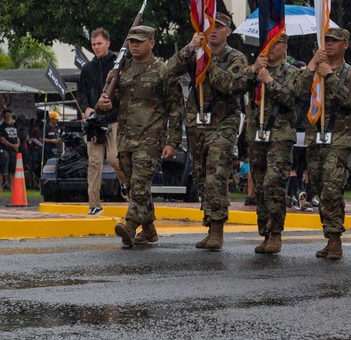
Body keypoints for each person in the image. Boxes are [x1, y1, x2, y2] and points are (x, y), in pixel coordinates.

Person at [97, 25, 198, 248]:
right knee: (136, 187)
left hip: (151, 139)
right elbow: (104, 103)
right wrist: (102, 105)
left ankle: (130, 225)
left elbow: (175, 108)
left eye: (139, 41)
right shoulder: (120, 69)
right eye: (131, 41)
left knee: (140, 184)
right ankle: (149, 229)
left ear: (151, 43)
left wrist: (173, 142)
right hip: (125, 139)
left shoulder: (163, 71)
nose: (134, 45)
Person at [183, 13, 252, 252]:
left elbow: (232, 85)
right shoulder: (196, 52)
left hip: (223, 123)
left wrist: (207, 61)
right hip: (197, 123)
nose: (214, 30)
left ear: (228, 32)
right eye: (211, 26)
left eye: (219, 27)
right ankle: (209, 222)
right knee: (201, 175)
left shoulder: (237, 57)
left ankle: (217, 228)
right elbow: (170, 70)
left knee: (216, 174)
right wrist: (191, 49)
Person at [297, 27, 351, 260]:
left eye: (335, 41)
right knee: (320, 188)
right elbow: (297, 92)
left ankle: (335, 240)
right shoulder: (312, 70)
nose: (330, 44)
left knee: (332, 188)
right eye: (327, 40)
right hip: (316, 138)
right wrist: (313, 66)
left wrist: (329, 76)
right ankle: (329, 235)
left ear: (345, 44)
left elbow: (348, 100)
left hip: (340, 138)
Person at [247, 34, 304, 255]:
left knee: (274, 182)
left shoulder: (290, 72)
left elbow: (291, 98)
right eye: (267, 43)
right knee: (260, 185)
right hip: (256, 135)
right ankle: (265, 231)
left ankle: (276, 233)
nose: (270, 48)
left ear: (285, 47)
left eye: (275, 43)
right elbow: (233, 86)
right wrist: (254, 70)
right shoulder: (254, 70)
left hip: (280, 135)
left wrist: (269, 80)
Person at [76, 27, 119, 216]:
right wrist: (87, 109)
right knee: (94, 163)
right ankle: (94, 203)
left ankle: (128, 185)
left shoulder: (118, 64)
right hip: (94, 122)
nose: (96, 47)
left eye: (99, 43)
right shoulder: (87, 68)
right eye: (93, 44)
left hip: (115, 119)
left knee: (114, 158)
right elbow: (81, 93)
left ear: (108, 43)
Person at [0, 109, 21, 192]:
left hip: (13, 151)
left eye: (10, 115)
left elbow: (18, 138)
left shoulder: (15, 127)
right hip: (5, 150)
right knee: (3, 168)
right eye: (7, 115)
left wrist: (17, 145)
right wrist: (12, 145)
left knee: (12, 169)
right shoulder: (1, 127)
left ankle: (11, 187)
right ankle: (0, 187)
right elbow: (2, 139)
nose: (9, 116)